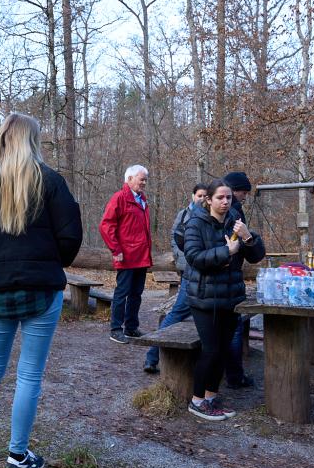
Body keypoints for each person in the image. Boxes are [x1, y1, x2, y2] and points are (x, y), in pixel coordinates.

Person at [0, 113, 83, 468]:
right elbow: (71, 235)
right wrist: (51, 264)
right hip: (41, 288)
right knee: (29, 374)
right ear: (32, 139)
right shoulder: (49, 180)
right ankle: (17, 454)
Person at [183, 179, 265, 420]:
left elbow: (256, 257)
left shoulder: (235, 221)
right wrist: (226, 252)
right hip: (204, 298)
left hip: (231, 297)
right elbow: (194, 257)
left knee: (223, 350)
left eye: (228, 197)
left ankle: (210, 397)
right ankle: (197, 401)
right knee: (210, 350)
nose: (225, 202)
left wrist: (248, 238)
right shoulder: (195, 223)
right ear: (209, 200)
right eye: (220, 197)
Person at [143, 183, 208, 373]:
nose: (202, 199)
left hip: (201, 273)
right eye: (199, 195)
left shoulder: (210, 214)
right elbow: (175, 237)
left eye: (205, 196)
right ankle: (152, 356)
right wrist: (181, 257)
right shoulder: (185, 214)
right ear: (193, 195)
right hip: (190, 271)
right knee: (178, 313)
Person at [99, 165, 153, 344]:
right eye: (141, 179)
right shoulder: (120, 198)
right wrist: (116, 250)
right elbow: (106, 226)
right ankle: (116, 329)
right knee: (122, 293)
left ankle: (131, 327)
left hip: (142, 256)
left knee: (136, 294)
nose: (144, 183)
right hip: (126, 256)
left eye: (145, 180)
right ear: (129, 179)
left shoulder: (142, 199)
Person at [223, 170, 255, 388]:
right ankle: (234, 376)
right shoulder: (233, 212)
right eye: (243, 192)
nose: (245, 196)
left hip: (228, 277)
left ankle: (232, 374)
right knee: (233, 327)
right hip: (228, 277)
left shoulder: (232, 209)